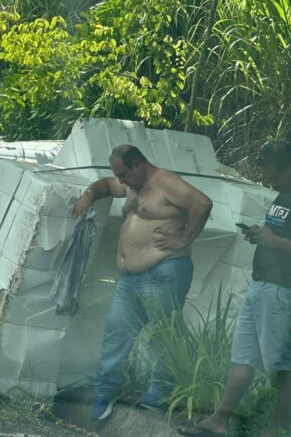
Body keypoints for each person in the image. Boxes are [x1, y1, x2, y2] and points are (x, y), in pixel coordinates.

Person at [71, 144, 213, 421]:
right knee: (116, 333)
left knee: (162, 336)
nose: (120, 180)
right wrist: (88, 196)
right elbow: (104, 185)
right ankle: (106, 393)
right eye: (118, 175)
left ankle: (158, 396)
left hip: (164, 271)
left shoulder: (165, 181)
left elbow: (202, 203)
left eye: (123, 173)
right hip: (129, 278)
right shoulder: (130, 184)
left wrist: (183, 240)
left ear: (138, 164)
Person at [178, 141, 291, 437]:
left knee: (284, 361)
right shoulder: (286, 194)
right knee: (244, 355)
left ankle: (282, 429)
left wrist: (274, 242)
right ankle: (219, 420)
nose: (273, 182)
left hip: (286, 290)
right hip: (263, 284)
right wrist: (260, 236)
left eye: (277, 176)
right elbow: (279, 234)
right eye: (270, 178)